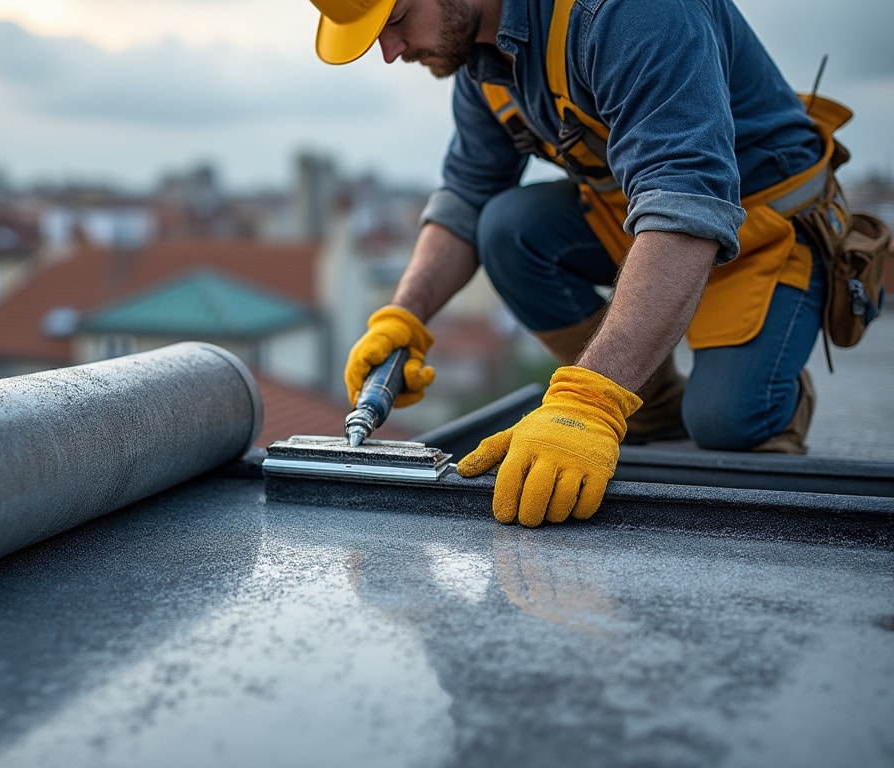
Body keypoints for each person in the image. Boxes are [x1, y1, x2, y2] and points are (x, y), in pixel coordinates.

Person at [310, 0, 854, 527]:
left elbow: (686, 204)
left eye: (397, 19)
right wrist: (401, 317)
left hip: (764, 228)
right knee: (507, 228)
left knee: (728, 424)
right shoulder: (482, 56)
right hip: (643, 220)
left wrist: (588, 400)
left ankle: (744, 396)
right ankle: (651, 406)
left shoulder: (631, 11)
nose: (389, 51)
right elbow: (468, 196)